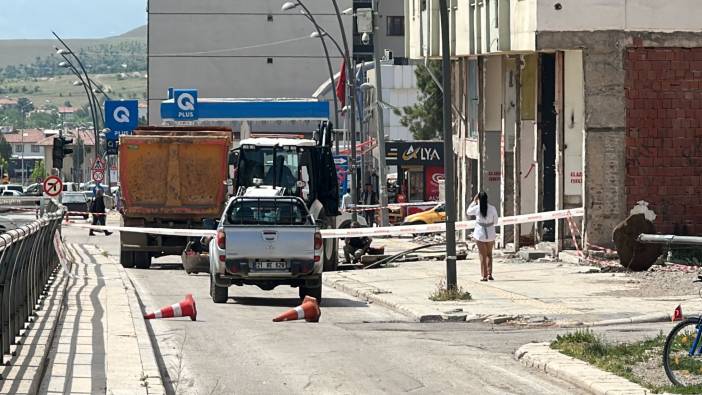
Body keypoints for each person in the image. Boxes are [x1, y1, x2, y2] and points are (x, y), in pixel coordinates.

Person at [466, 192, 498, 281]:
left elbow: (468, 212)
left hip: (480, 234)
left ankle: (484, 276)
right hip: (491, 234)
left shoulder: (477, 208)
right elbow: (495, 222)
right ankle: (489, 274)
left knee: (482, 255)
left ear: (478, 199)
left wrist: (474, 201)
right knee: (489, 254)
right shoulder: (492, 208)